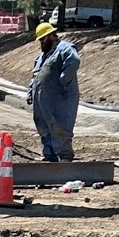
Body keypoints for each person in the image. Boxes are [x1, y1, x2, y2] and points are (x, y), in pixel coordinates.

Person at [27, 22, 80, 162]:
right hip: (43, 102)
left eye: (43, 39)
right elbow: (35, 75)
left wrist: (64, 81)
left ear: (51, 35)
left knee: (59, 127)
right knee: (44, 128)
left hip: (60, 100)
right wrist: (30, 91)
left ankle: (65, 157)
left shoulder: (64, 49)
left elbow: (74, 61)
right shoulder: (41, 57)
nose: (41, 42)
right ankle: (49, 156)